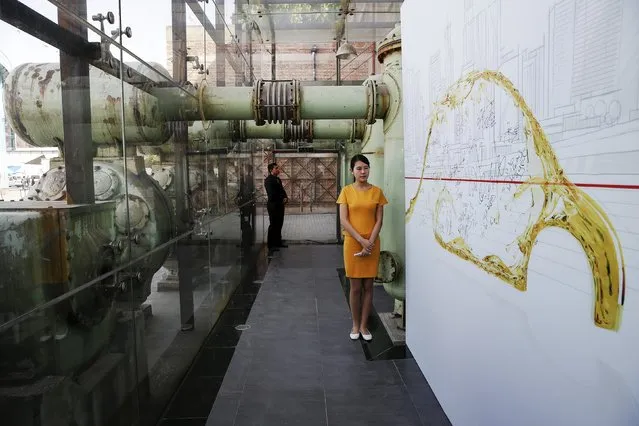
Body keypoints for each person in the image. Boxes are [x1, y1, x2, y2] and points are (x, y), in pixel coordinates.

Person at [337, 154, 388, 342]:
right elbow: (344, 220)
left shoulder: (377, 192)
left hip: (372, 242)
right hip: (352, 242)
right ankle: (355, 324)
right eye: (358, 168)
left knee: (369, 286)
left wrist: (370, 242)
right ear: (352, 171)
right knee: (355, 287)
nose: (363, 171)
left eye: (366, 168)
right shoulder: (346, 191)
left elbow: (379, 220)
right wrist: (361, 240)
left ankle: (365, 326)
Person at [264, 162, 288, 250]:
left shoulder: (278, 179)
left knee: (279, 224)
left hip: (280, 205)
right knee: (273, 224)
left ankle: (278, 242)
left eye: (278, 168)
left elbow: (282, 190)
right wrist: (281, 198)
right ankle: (271, 245)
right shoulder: (268, 180)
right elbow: (271, 194)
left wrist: (285, 197)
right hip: (273, 205)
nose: (278, 169)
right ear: (271, 170)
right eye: (276, 168)